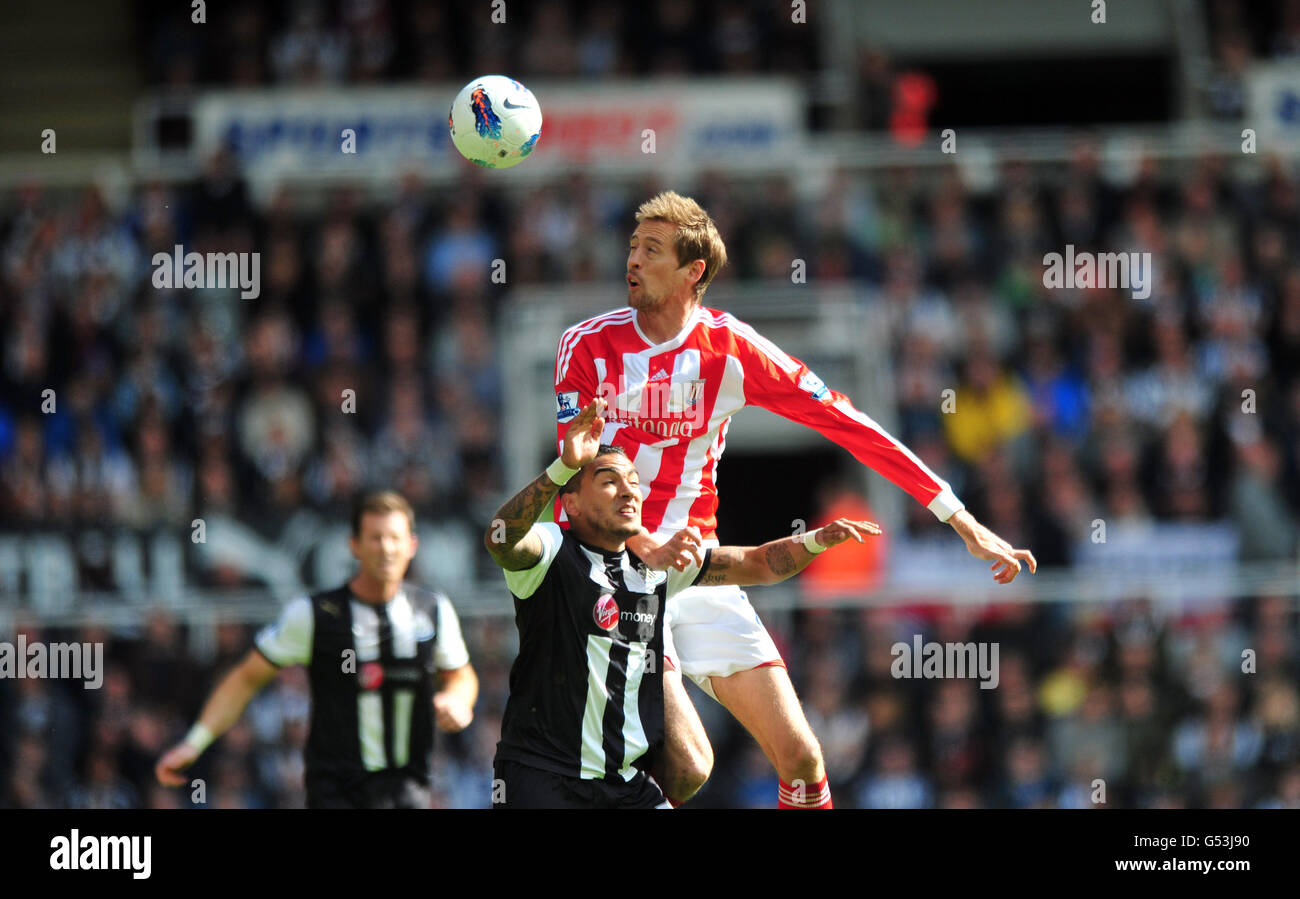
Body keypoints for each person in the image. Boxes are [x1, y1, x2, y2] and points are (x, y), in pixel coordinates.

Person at [553, 190, 1037, 808]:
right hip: (613, 575)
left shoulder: (731, 351)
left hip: (697, 573)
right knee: (681, 765)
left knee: (803, 759)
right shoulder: (587, 345)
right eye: (632, 247)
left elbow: (847, 424)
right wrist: (621, 518)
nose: (633, 260)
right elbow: (573, 468)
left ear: (692, 270)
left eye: (652, 250)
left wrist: (959, 517)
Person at [485, 397, 878, 809]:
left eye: (634, 482)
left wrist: (816, 539)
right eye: (609, 481)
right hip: (542, 779)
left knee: (697, 766)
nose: (629, 492)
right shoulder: (553, 550)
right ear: (573, 504)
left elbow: (757, 563)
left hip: (622, 786)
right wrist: (562, 468)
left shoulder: (655, 568)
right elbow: (499, 537)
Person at [155, 490, 478, 809]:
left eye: (395, 538)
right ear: (354, 545)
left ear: (412, 546)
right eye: (375, 538)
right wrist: (194, 743)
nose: (386, 549)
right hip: (336, 795)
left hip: (406, 793)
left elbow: (461, 675)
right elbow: (245, 678)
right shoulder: (314, 615)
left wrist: (459, 701)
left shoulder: (432, 610)